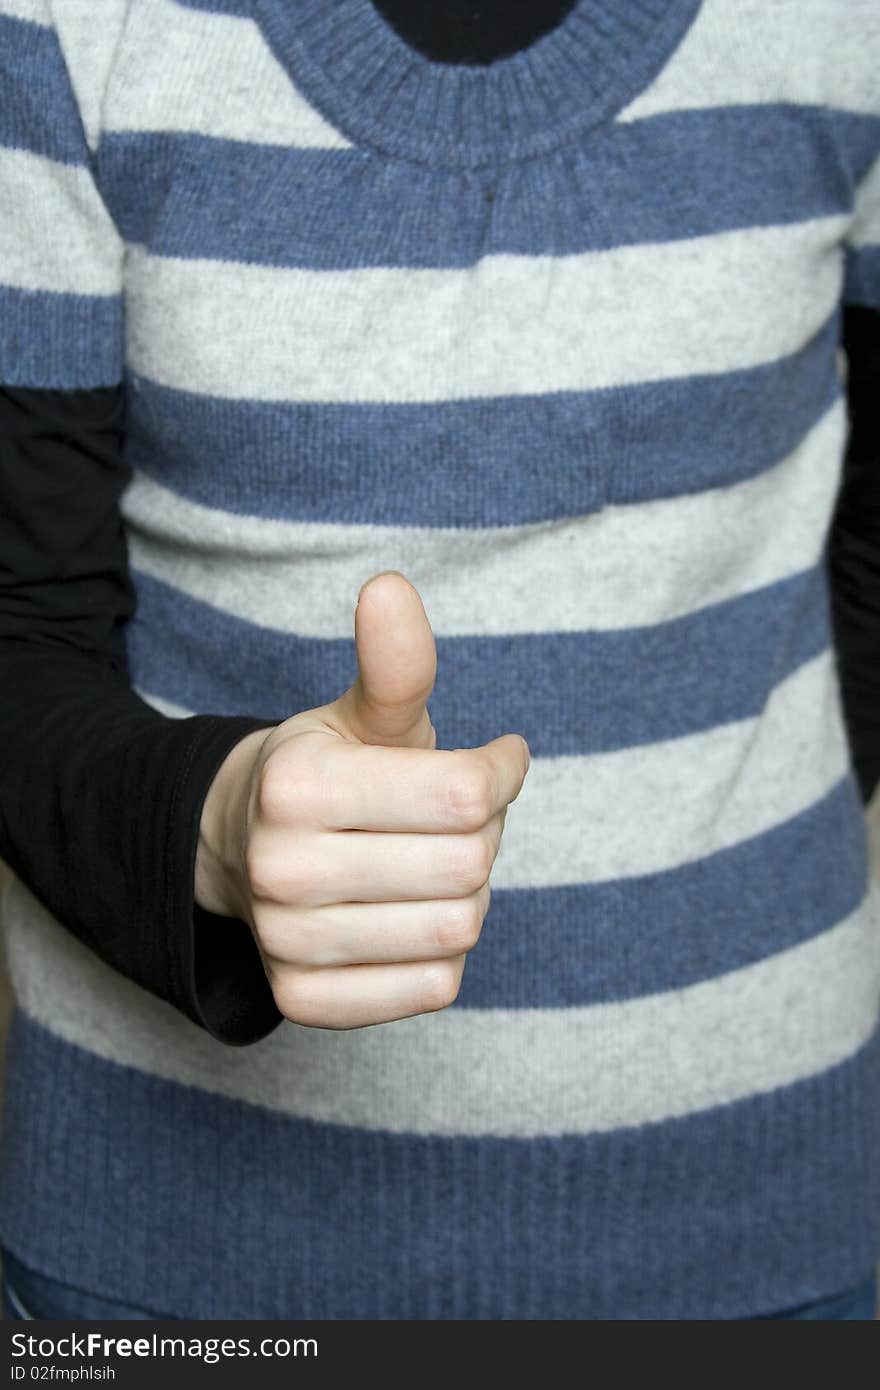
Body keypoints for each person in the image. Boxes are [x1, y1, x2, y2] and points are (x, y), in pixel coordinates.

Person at [0, 0, 879, 1322]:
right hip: (169, 1265)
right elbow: (20, 622)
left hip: (766, 1232)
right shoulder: (60, 23)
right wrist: (210, 826)